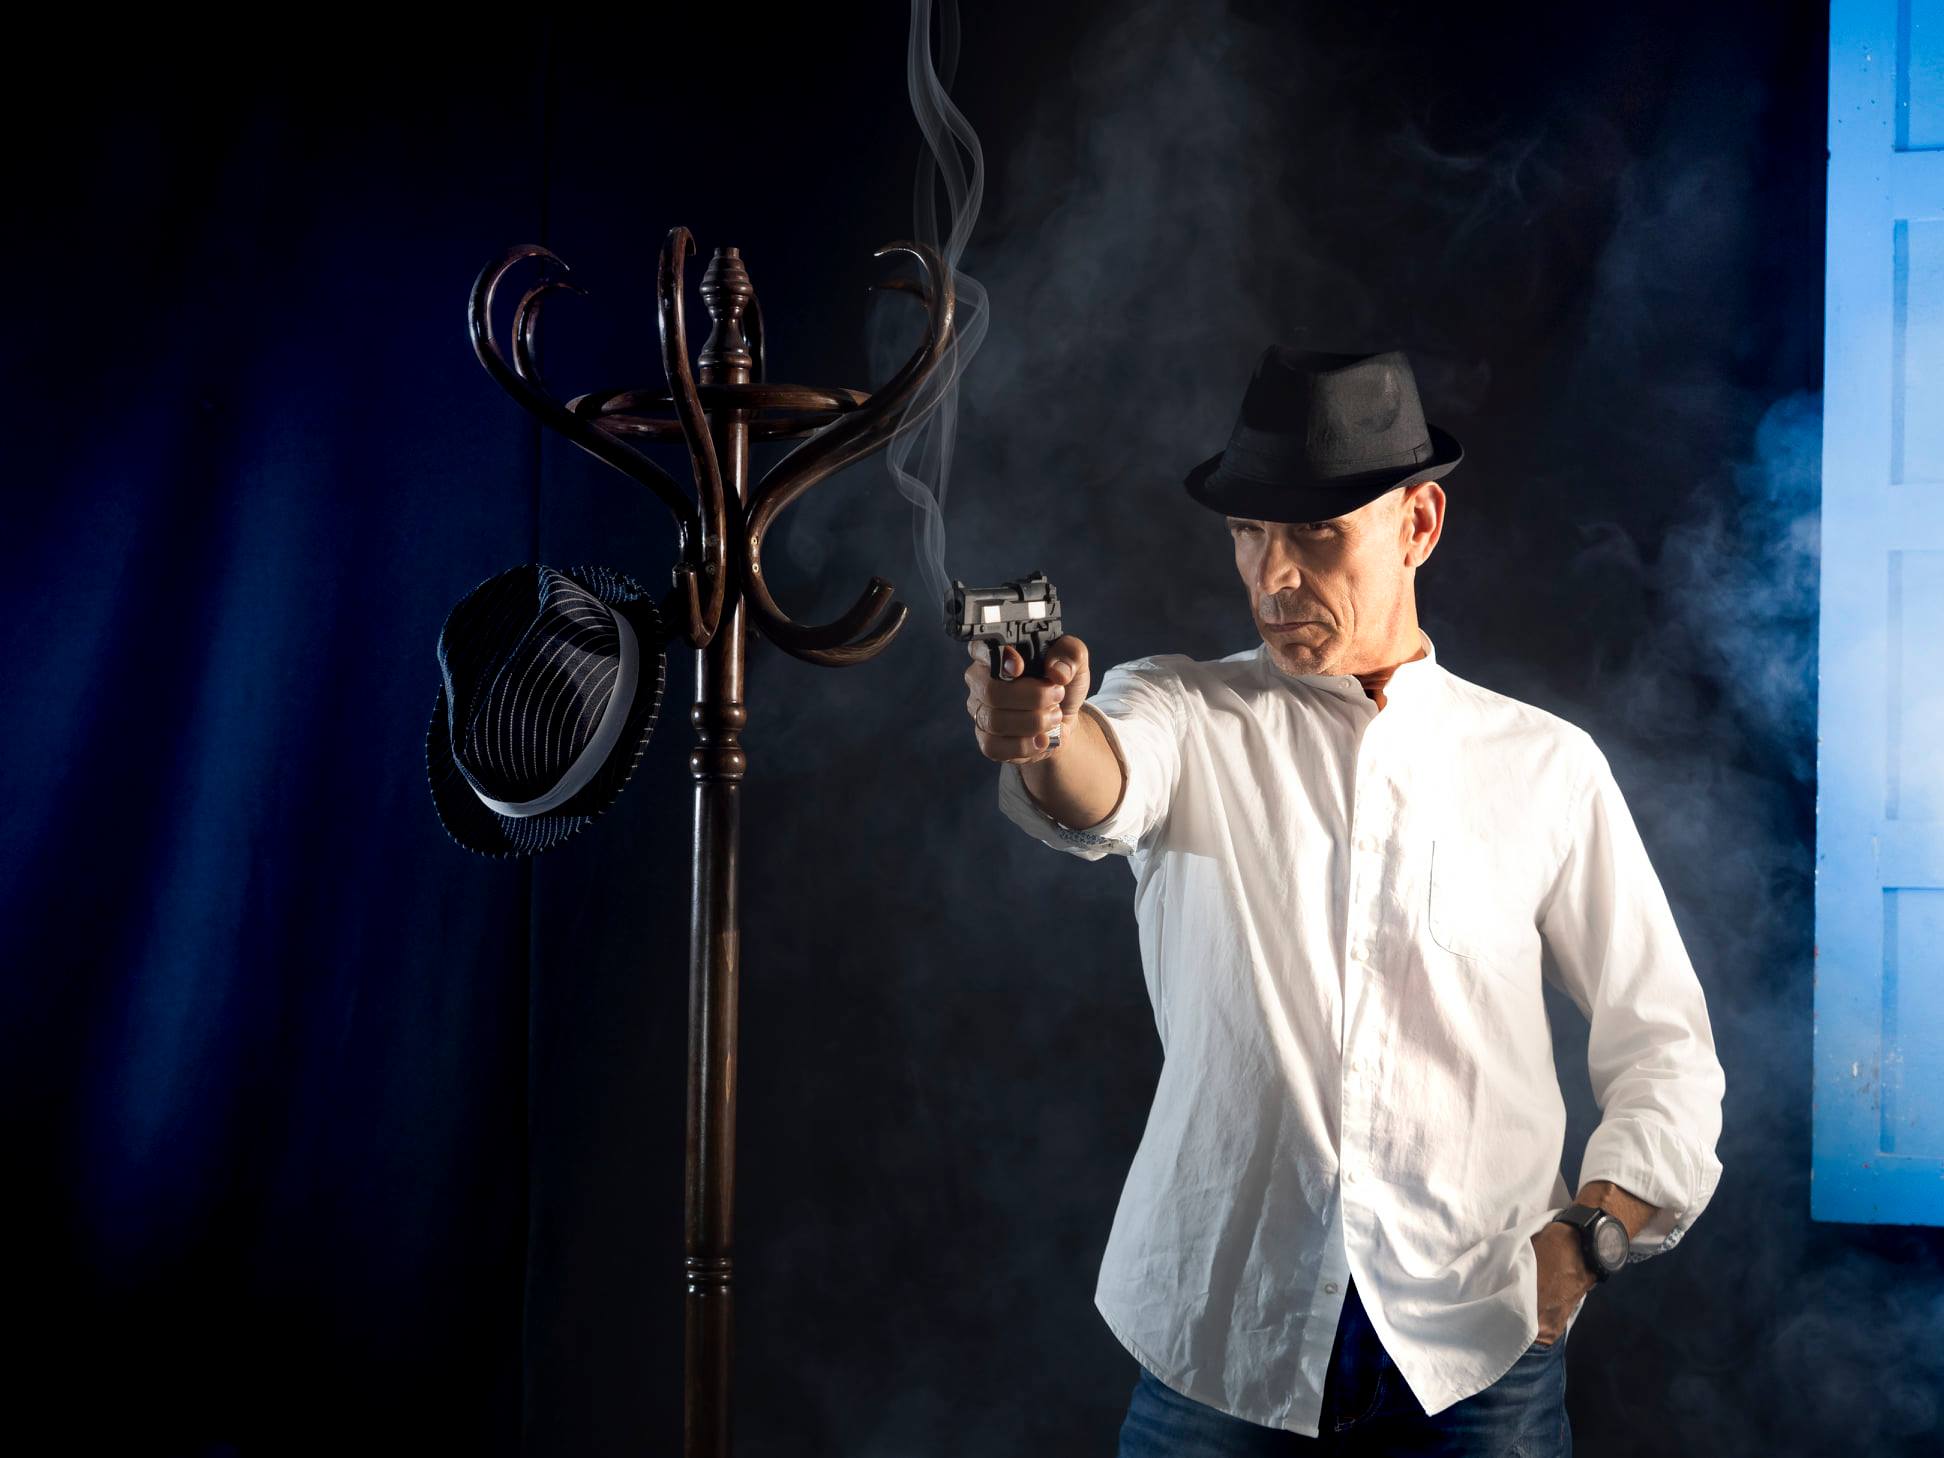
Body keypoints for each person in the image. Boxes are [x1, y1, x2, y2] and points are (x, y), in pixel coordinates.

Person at [961, 348, 1726, 1454]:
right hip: (1225, 1341)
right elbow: (1098, 780)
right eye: (1248, 532)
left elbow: (1666, 1048)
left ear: (1419, 524)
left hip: (1477, 1356)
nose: (1274, 574)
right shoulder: (1180, 709)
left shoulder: (1546, 767)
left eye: (1317, 534)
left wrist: (1590, 1238)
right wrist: (1039, 730)